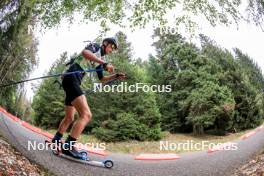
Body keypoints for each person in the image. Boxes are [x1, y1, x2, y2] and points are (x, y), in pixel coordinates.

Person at [51, 37, 125, 159]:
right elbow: (85, 52)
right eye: (112, 47)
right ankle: (69, 146)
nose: (112, 50)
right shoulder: (96, 47)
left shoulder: (100, 60)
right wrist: (104, 63)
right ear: (105, 44)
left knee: (69, 117)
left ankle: (56, 139)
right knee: (86, 115)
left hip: (72, 81)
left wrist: (115, 76)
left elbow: (102, 80)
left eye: (114, 49)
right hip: (72, 78)